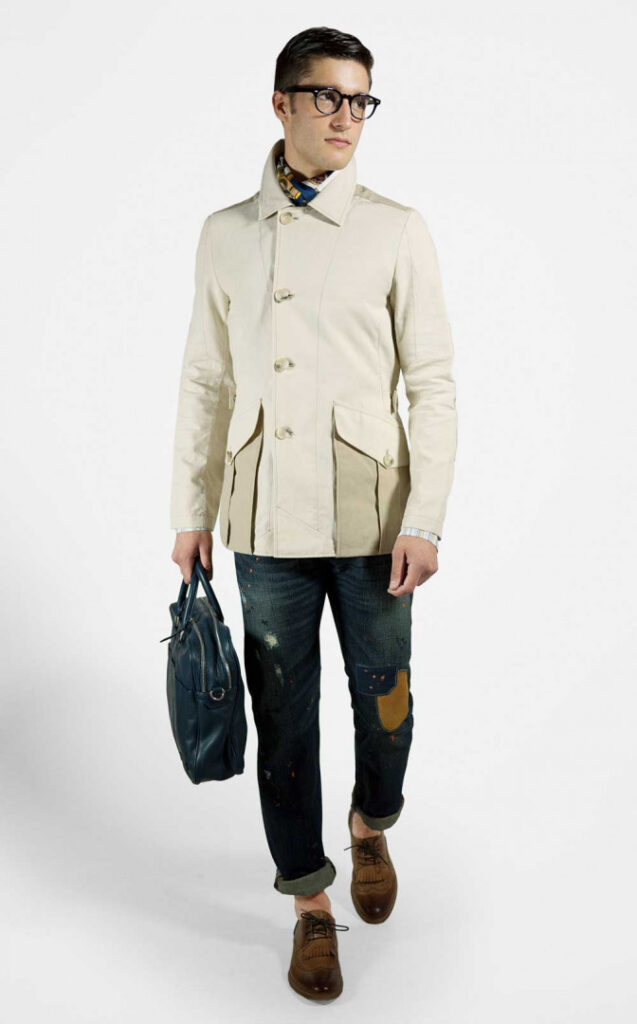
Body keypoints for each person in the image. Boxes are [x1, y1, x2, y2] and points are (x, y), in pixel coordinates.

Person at [169, 25, 457, 1002]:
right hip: (263, 524)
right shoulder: (225, 232)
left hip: (376, 522)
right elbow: (205, 378)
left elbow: (433, 383)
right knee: (282, 719)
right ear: (281, 103)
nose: (345, 116)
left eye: (359, 99)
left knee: (385, 700)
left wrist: (425, 518)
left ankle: (373, 821)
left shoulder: (395, 228)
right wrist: (191, 508)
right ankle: (308, 900)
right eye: (326, 96)